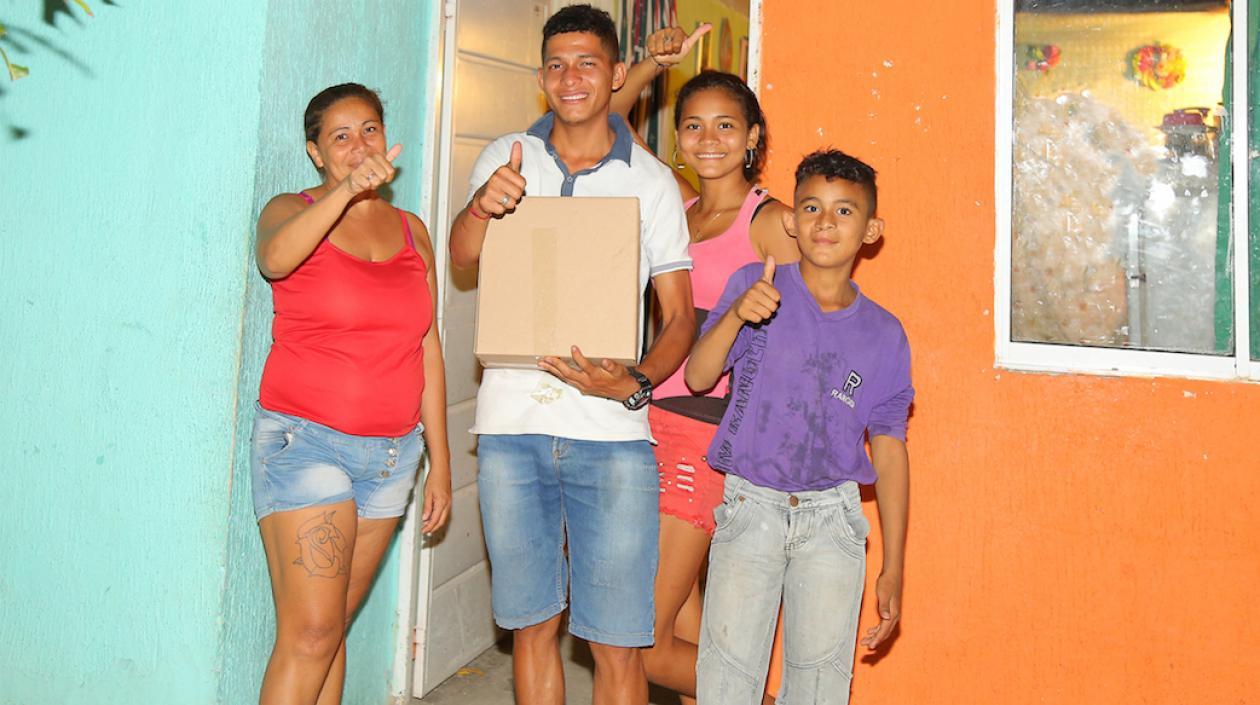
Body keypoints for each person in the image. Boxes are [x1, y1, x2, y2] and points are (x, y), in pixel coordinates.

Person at [447, 6, 694, 705]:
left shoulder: (651, 183)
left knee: (618, 642)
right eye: (556, 64)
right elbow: (463, 259)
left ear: (617, 73)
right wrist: (481, 209)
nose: (570, 77)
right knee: (532, 628)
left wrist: (635, 381)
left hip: (612, 439)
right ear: (539, 77)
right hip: (510, 428)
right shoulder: (504, 158)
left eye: (587, 62)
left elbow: (680, 318)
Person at [611, 31, 798, 705]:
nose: (708, 138)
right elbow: (603, 129)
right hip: (650, 422)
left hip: (704, 435)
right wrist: (648, 70)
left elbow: (816, 323)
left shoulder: (770, 221)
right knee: (686, 618)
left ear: (752, 136)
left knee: (635, 637)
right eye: (693, 125)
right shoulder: (677, 212)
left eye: (726, 125)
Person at [686, 149, 912, 705]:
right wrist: (738, 312)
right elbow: (697, 376)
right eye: (811, 207)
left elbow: (889, 449)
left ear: (871, 230)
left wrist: (894, 565)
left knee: (818, 687)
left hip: (833, 523)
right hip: (749, 510)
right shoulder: (756, 284)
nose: (824, 223)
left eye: (843, 211)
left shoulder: (885, 334)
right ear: (791, 221)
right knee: (726, 684)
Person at [251, 83, 452, 705]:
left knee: (331, 631)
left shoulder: (412, 230)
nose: (358, 145)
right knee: (310, 633)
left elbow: (428, 347)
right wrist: (344, 193)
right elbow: (275, 261)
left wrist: (439, 464)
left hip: (392, 457)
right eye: (339, 136)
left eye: (368, 129)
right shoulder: (290, 208)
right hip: (306, 444)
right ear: (316, 152)